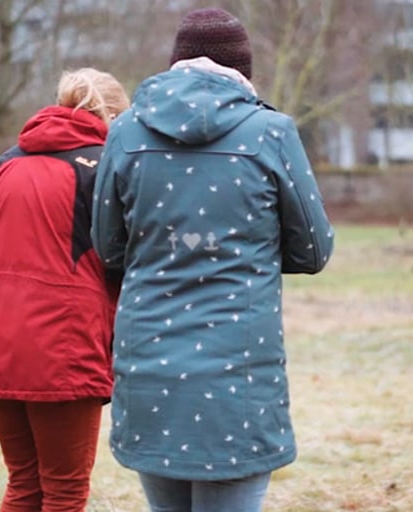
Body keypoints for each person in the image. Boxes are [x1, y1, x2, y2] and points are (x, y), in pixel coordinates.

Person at [90, 7, 334, 512]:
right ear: (243, 71)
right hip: (237, 376)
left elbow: (108, 247)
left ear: (176, 63)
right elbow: (313, 249)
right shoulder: (272, 133)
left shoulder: (127, 132)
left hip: (149, 368)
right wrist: (249, 253)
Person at [0, 67, 130, 511]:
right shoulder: (105, 169)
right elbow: (120, 261)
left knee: (24, 483)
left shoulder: (1, 164)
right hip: (62, 348)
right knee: (65, 490)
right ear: (114, 116)